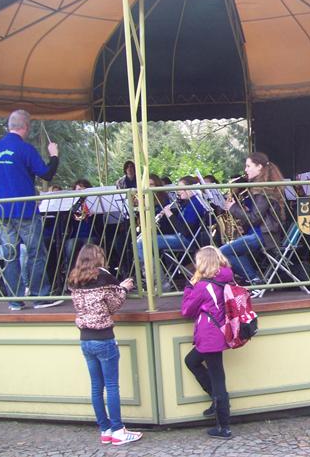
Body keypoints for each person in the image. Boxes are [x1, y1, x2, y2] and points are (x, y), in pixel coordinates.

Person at [0, 109, 63, 310]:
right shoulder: (24, 149)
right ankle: (39, 297)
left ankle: (14, 300)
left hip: (1, 211)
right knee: (36, 252)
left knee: (10, 255)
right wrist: (54, 155)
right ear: (26, 127)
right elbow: (46, 174)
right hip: (24, 210)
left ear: (10, 126)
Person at [67, 244, 142, 446]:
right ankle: (118, 430)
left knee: (96, 387)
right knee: (112, 386)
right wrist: (123, 288)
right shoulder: (103, 277)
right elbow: (114, 305)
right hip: (104, 338)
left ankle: (105, 429)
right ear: (99, 257)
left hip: (85, 339)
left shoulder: (74, 278)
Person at [181, 246, 234, 439]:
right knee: (192, 361)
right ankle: (217, 402)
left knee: (217, 378)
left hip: (209, 334)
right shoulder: (227, 278)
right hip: (221, 331)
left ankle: (224, 426)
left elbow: (186, 310)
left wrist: (189, 287)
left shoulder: (203, 286)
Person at [219, 152, 285, 287]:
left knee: (222, 252)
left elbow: (255, 218)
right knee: (233, 251)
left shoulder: (263, 190)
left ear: (259, 167)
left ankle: (254, 279)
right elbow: (258, 215)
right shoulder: (262, 188)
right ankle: (252, 278)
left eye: (248, 166)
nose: (245, 170)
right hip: (260, 234)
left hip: (263, 236)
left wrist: (233, 208)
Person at [137, 175, 209, 263]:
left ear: (190, 188)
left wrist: (169, 214)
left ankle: (153, 271)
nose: (178, 191)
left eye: (180, 188)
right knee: (142, 240)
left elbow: (186, 231)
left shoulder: (195, 203)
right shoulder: (188, 202)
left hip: (187, 240)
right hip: (182, 237)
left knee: (142, 242)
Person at [64, 179, 98, 272]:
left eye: (84, 189)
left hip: (91, 235)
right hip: (75, 236)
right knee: (70, 245)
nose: (81, 192)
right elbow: (65, 222)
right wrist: (70, 213)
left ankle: (91, 272)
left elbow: (101, 224)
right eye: (78, 190)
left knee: (89, 244)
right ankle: (71, 273)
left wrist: (95, 215)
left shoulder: (94, 203)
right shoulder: (71, 205)